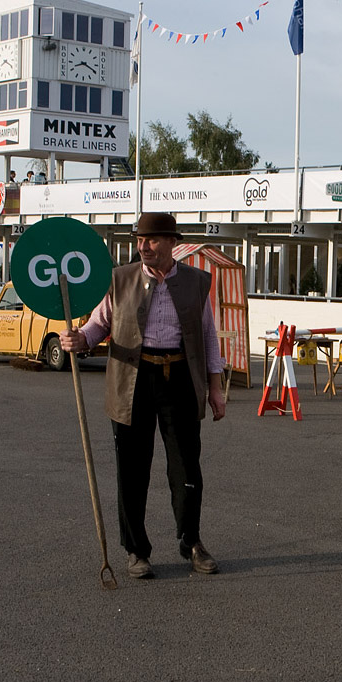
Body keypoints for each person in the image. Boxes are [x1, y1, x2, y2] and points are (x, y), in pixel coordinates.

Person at [59, 212, 226, 580]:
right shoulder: (120, 279)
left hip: (179, 378)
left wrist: (215, 388)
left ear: (171, 242)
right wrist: (80, 339)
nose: (142, 247)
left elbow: (208, 337)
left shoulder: (196, 283)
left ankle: (191, 542)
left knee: (186, 468)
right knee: (132, 471)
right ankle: (136, 550)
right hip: (132, 380)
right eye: (139, 240)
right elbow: (99, 323)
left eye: (150, 240)